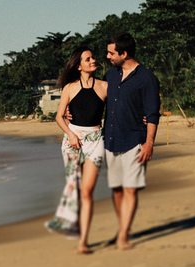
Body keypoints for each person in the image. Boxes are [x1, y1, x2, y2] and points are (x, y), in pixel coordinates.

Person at [45, 46, 108, 253]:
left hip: (96, 140)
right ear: (79, 65)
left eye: (93, 57)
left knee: (87, 192)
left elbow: (121, 105)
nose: (93, 60)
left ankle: (83, 241)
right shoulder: (70, 88)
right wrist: (71, 134)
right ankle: (72, 226)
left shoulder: (105, 86)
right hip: (72, 141)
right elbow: (59, 116)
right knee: (76, 189)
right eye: (88, 59)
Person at [102, 33, 160, 249]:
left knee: (130, 189)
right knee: (116, 188)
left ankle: (123, 236)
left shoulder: (147, 79)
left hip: (135, 140)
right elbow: (95, 97)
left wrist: (149, 142)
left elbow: (152, 113)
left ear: (124, 53)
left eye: (111, 53)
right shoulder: (110, 75)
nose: (107, 56)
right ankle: (123, 226)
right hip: (111, 139)